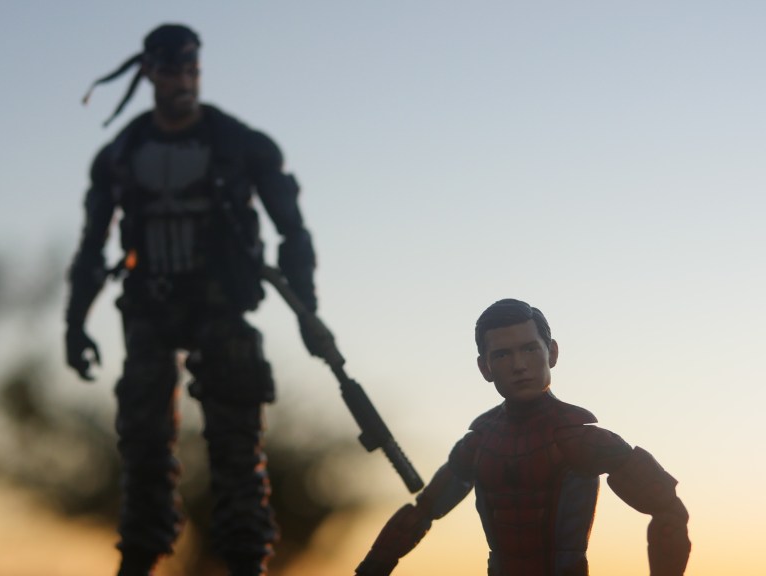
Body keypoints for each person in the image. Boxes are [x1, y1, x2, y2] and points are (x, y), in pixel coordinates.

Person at [64, 24, 321, 576]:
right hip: (149, 311)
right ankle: (139, 557)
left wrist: (308, 311)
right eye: (172, 71)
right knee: (143, 444)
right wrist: (74, 322)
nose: (183, 82)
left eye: (192, 71)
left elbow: (293, 232)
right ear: (149, 74)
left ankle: (246, 562)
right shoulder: (120, 154)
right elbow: (91, 248)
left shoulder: (242, 145)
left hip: (220, 310)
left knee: (237, 448)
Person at [355, 299, 691, 576]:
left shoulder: (578, 440)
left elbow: (669, 512)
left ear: (552, 353)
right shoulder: (480, 443)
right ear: (485, 368)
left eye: (530, 349)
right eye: (502, 355)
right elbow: (420, 515)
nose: (519, 365)